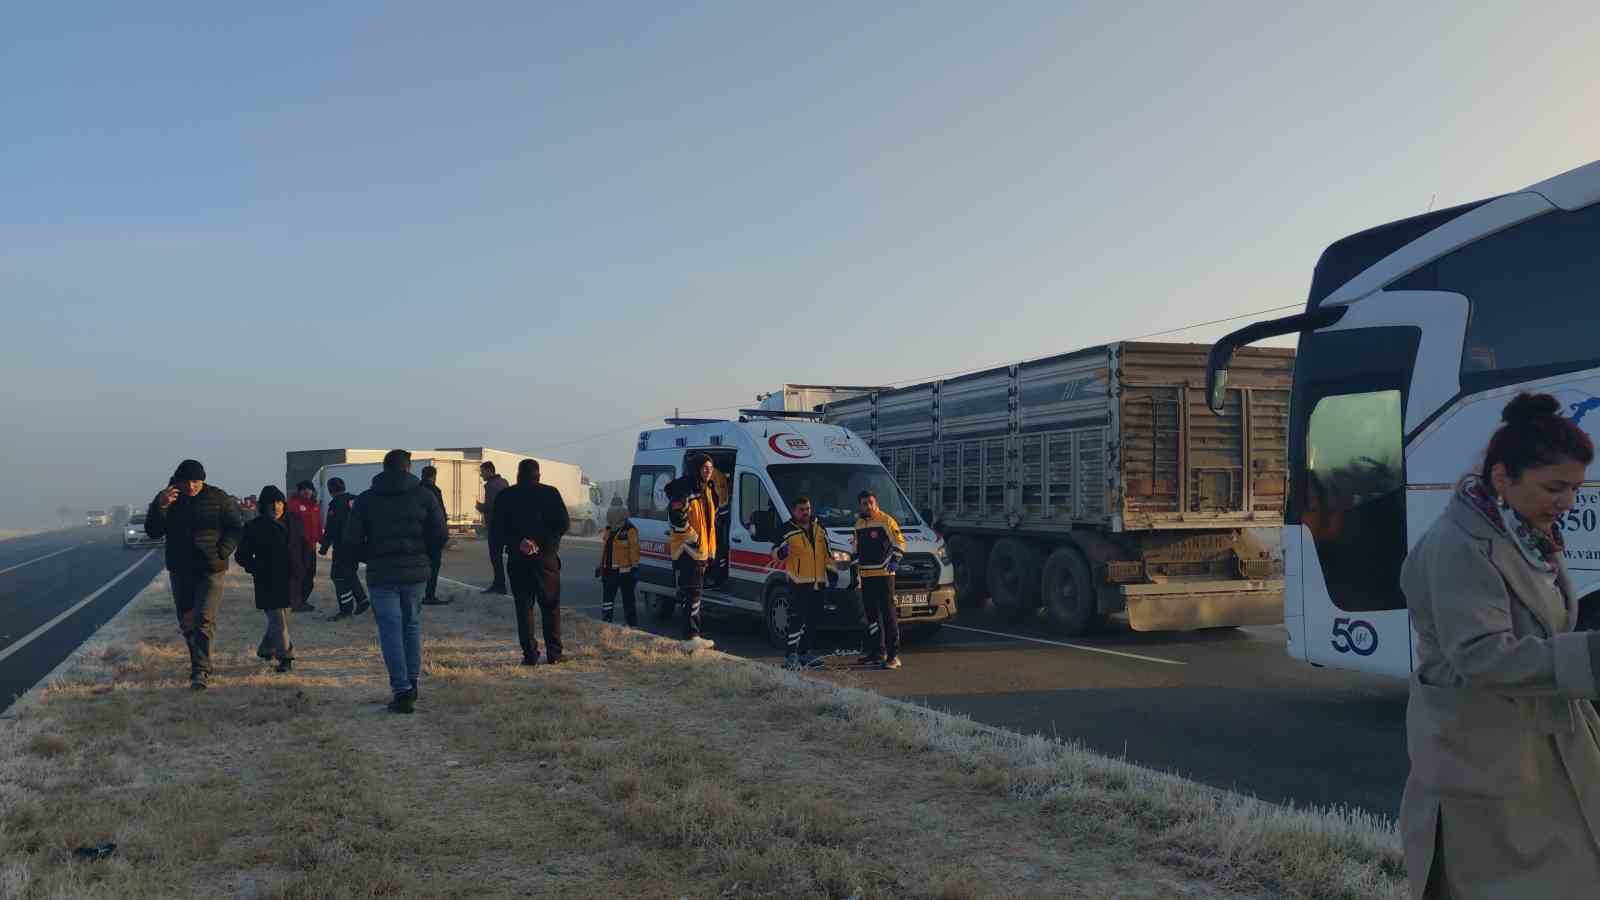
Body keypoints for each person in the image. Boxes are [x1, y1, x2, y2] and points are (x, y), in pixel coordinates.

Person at [1400, 393, 1600, 899]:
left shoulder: (1523, 533)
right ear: (1502, 477)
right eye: (1554, 488)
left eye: (1576, 489)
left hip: (1533, 739)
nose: (1567, 504)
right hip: (1483, 751)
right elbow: (1481, 654)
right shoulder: (1459, 546)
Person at [343, 450, 447, 714]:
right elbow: (440, 533)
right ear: (408, 467)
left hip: (382, 573)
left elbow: (352, 540)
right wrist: (425, 555)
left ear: (384, 467)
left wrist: (369, 557)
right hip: (416, 572)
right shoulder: (424, 496)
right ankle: (412, 682)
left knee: (390, 631)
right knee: (411, 626)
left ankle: (401, 690)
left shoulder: (366, 499)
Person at [144, 459, 245, 690]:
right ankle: (199, 659)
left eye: (197, 481)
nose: (192, 486)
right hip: (180, 569)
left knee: (204, 618)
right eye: (187, 481)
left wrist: (223, 550)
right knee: (188, 621)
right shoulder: (167, 498)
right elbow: (153, 531)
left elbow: (236, 526)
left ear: (203, 480)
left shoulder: (218, 497)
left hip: (211, 568)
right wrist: (160, 506)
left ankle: (200, 670)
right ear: (178, 481)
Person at [492, 459, 571, 665]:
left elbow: (497, 530)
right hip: (546, 559)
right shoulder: (550, 493)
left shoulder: (506, 496)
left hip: (518, 559)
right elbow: (563, 524)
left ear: (518, 474)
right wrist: (542, 543)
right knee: (550, 606)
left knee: (524, 607)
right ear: (538, 475)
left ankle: (530, 654)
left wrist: (520, 542)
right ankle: (554, 653)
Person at [234, 486, 306, 673]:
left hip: (291, 580)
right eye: (271, 504)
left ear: (284, 503)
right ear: (263, 506)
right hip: (267, 581)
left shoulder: (295, 522)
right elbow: (241, 556)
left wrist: (304, 571)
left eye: (279, 502)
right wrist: (257, 568)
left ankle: (266, 648)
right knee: (278, 621)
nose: (275, 507)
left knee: (283, 621)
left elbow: (305, 548)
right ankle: (286, 657)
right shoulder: (254, 527)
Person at [772, 496, 839, 670]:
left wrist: (832, 572)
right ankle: (791, 655)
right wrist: (782, 551)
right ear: (794, 511)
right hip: (798, 582)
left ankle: (805, 652)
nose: (805, 512)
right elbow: (774, 552)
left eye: (808, 509)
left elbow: (828, 551)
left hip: (818, 582)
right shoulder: (786, 529)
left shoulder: (819, 526)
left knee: (813, 619)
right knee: (797, 619)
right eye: (802, 509)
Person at [664, 454, 719, 650]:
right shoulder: (684, 489)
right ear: (696, 468)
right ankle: (690, 637)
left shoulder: (707, 489)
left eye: (711, 467)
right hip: (688, 551)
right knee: (692, 593)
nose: (708, 470)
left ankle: (693, 635)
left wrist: (709, 548)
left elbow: (710, 522)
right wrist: (693, 538)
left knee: (695, 593)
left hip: (701, 551)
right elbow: (676, 517)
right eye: (705, 467)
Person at [853, 490, 907, 670]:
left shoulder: (886, 521)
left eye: (871, 502)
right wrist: (855, 574)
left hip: (884, 577)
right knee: (871, 617)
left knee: (889, 617)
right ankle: (877, 652)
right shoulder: (859, 524)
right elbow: (855, 550)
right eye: (864, 503)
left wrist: (895, 561)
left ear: (876, 503)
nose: (868, 506)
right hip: (866, 577)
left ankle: (893, 656)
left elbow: (900, 542)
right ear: (860, 505)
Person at [320, 477, 370, 620]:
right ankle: (360, 601)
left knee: (338, 576)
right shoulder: (355, 500)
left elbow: (331, 528)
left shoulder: (336, 504)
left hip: (343, 547)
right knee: (349, 573)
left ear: (330, 490)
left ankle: (350, 606)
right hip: (358, 545)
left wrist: (324, 547)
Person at [596, 504, 640, 626]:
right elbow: (605, 550)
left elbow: (634, 550)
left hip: (625, 572)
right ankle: (606, 623)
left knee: (628, 600)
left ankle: (631, 625)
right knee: (607, 600)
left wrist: (635, 567)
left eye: (611, 519)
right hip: (608, 570)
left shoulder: (630, 530)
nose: (609, 521)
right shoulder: (609, 530)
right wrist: (600, 566)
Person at [286, 481, 322, 612]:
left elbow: (318, 524)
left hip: (311, 547)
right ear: (299, 491)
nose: (306, 491)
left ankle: (301, 600)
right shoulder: (293, 505)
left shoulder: (315, 506)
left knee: (309, 575)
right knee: (298, 575)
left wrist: (321, 538)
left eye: (309, 489)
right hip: (297, 547)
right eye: (303, 489)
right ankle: (296, 602)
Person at [476, 461, 511, 595]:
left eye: (482, 471)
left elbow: (491, 506)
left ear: (489, 471)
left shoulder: (491, 486)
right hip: (505, 525)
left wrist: (479, 506)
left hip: (495, 526)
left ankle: (499, 585)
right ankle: (500, 585)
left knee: (495, 557)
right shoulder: (504, 482)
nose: (481, 474)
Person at [419, 465, 451, 606]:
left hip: (418, 534)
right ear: (433, 476)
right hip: (432, 535)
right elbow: (440, 514)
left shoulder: (415, 489)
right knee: (434, 566)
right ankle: (429, 595)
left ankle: (417, 594)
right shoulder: (434, 490)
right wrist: (445, 534)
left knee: (418, 565)